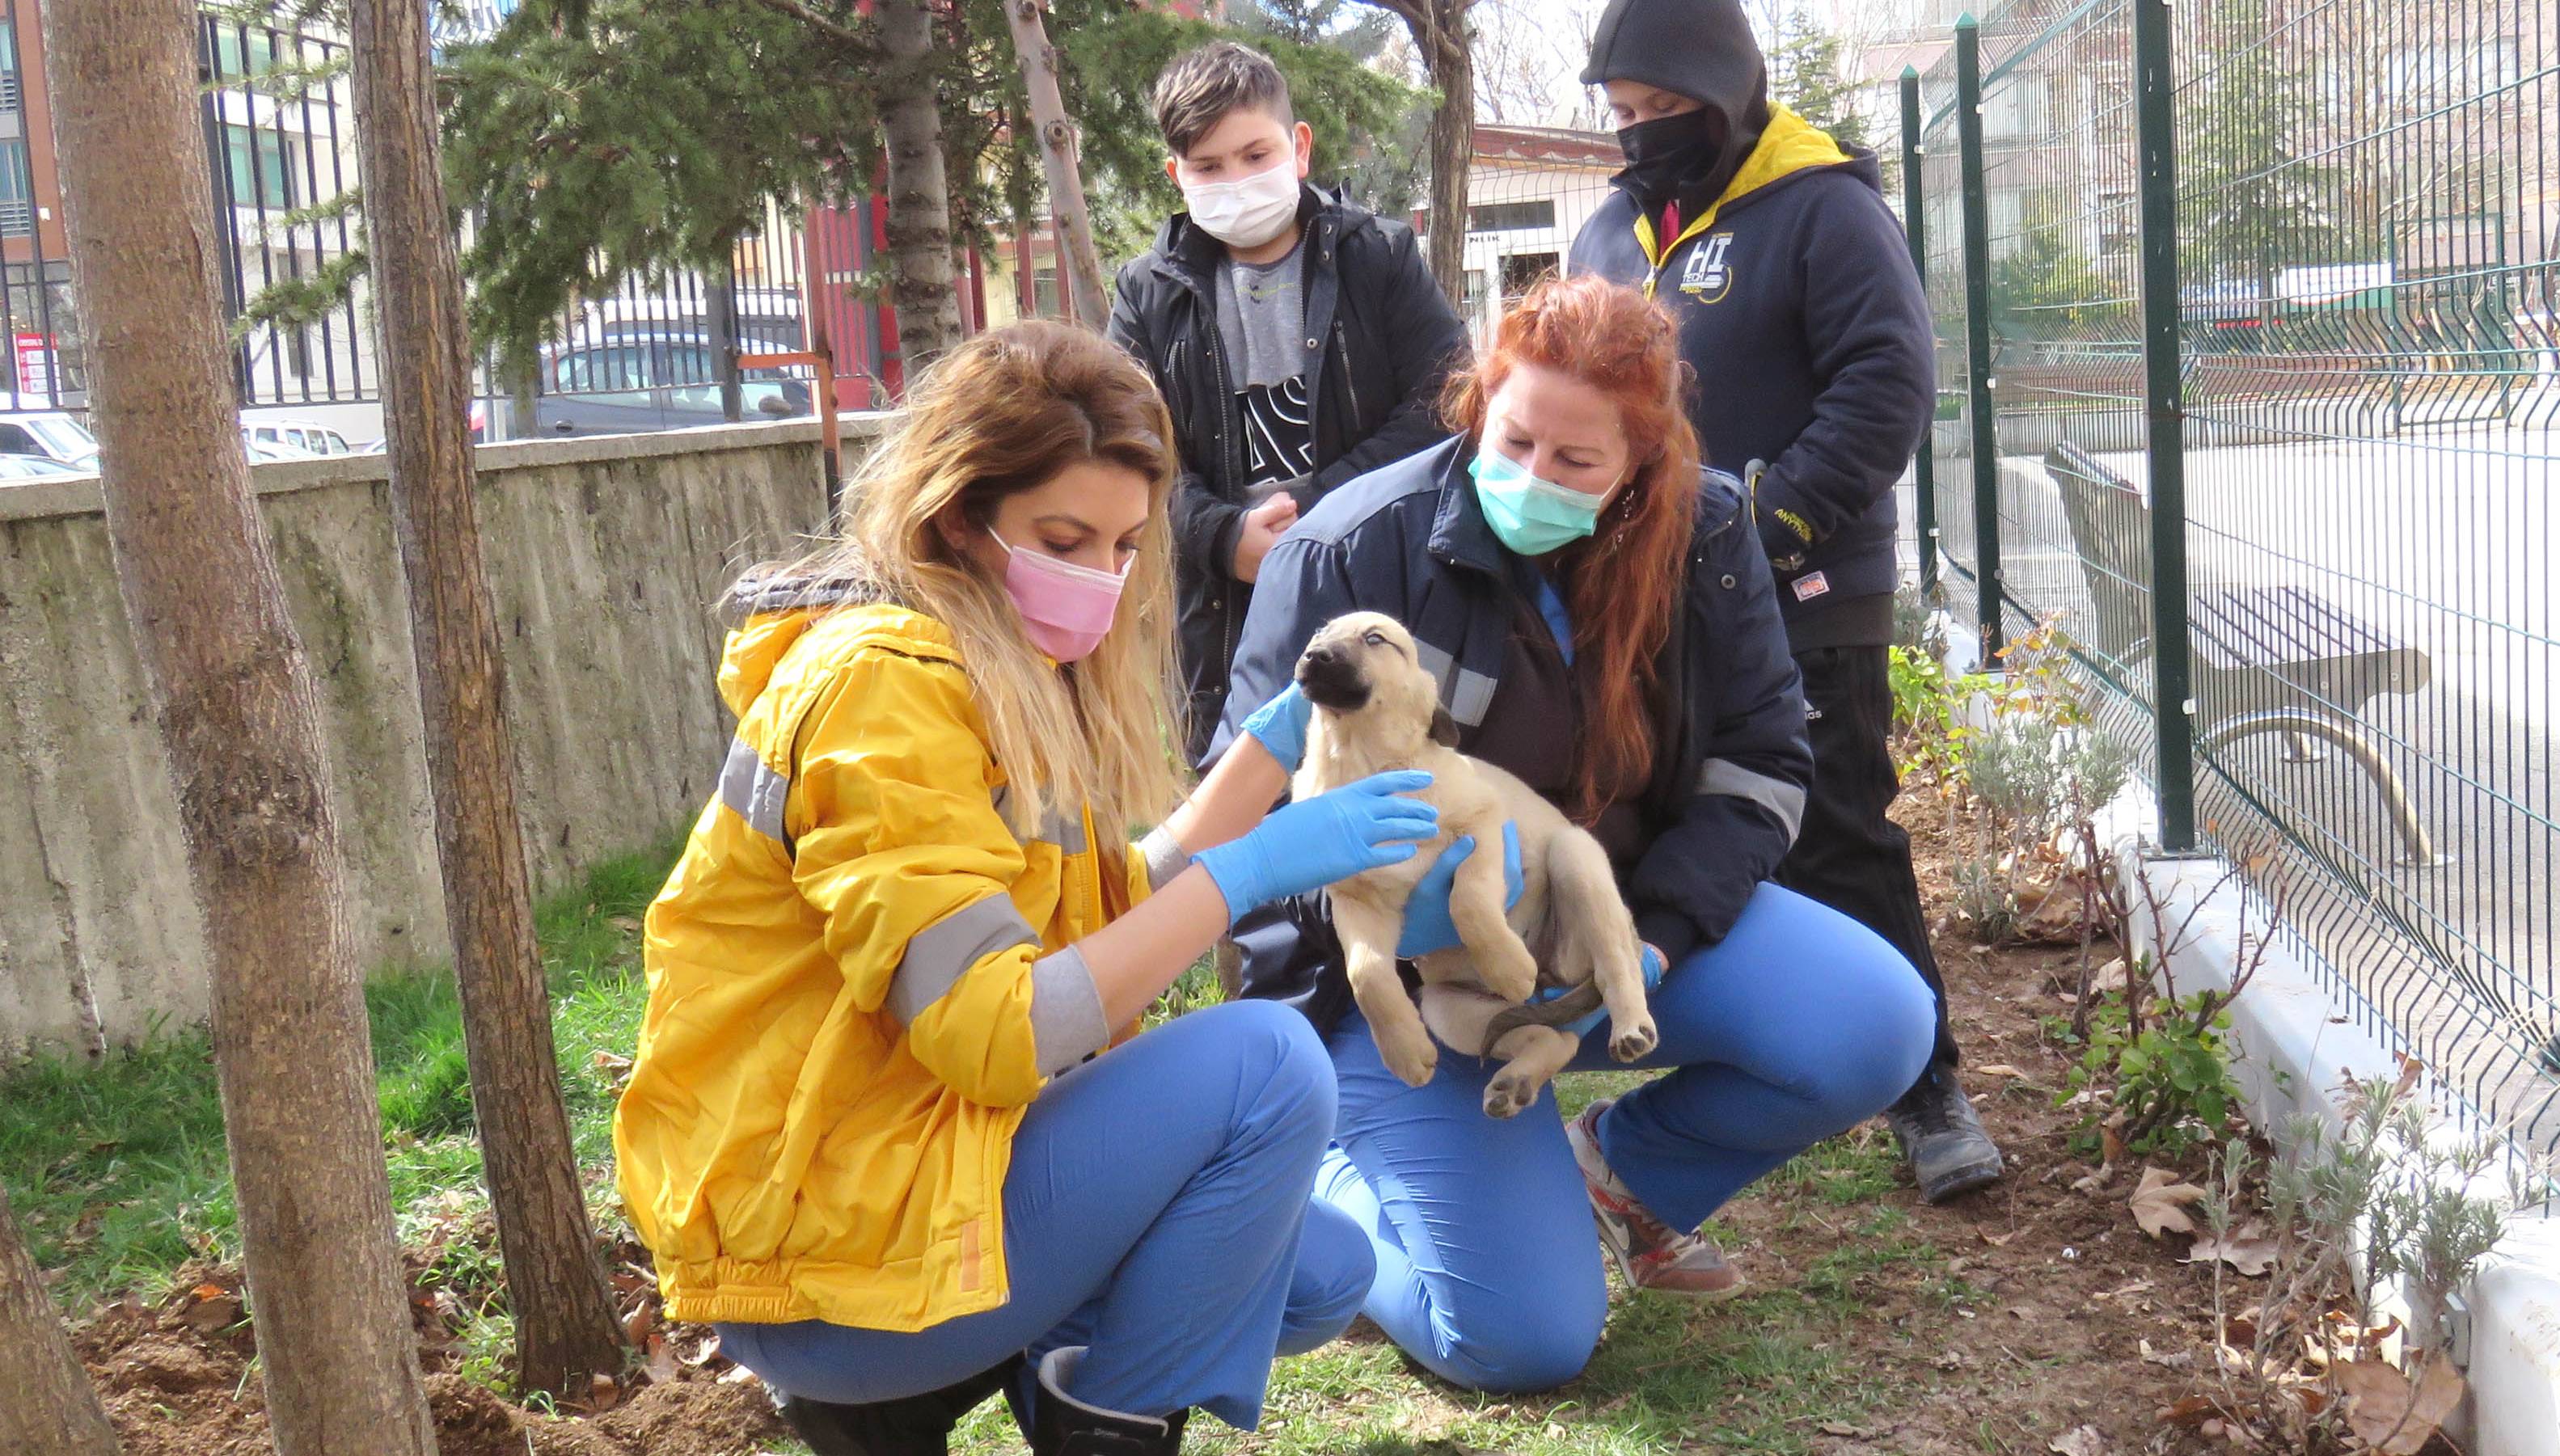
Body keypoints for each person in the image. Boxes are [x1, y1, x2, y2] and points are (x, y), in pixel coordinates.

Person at [614, 323, 1511, 1455]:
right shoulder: (880, 687)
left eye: (1125, 543)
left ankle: (1019, 1383)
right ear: (955, 516)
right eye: (1062, 537)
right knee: (1269, 1067)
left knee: (1320, 1276)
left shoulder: (997, 664)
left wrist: (1266, 761)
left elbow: (1084, 925)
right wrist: (1250, 875)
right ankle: (1023, 1413)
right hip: (821, 1261)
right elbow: (997, 1031)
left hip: (913, 1172)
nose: (1101, 577)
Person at [1213, 276, 1936, 1391]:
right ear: (1479, 405)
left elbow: (1763, 759)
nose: (1529, 478)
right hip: (1391, 980)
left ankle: (1618, 1168)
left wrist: (1650, 943)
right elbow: (1248, 805)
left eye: (1573, 463)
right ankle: (1323, 1194)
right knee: (1521, 1340)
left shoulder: (1705, 533)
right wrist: (1401, 933)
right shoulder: (1352, 548)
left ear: (1641, 463)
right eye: (1511, 440)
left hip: (1595, 921)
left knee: (1875, 1022)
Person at [1565, 0, 1999, 1203]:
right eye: (1625, 115)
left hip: (1805, 586)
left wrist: (1761, 528)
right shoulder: (1609, 232)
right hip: (1652, 596)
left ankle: (1925, 1085)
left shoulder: (1823, 208)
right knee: (1705, 820)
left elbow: (1886, 382)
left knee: (1838, 826)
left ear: (1727, 89)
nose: (1644, 134)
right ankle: (1761, 1055)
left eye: (1665, 110)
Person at [1109, 40, 1472, 763]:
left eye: (1254, 154)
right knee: (1239, 808)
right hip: (1221, 616)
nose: (1235, 181)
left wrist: (1319, 520)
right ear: (1175, 174)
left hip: (1376, 584)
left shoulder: (1381, 258)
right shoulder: (1144, 293)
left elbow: (1448, 400)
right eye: (1208, 167)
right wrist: (1220, 534)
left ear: (1299, 147)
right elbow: (1125, 448)